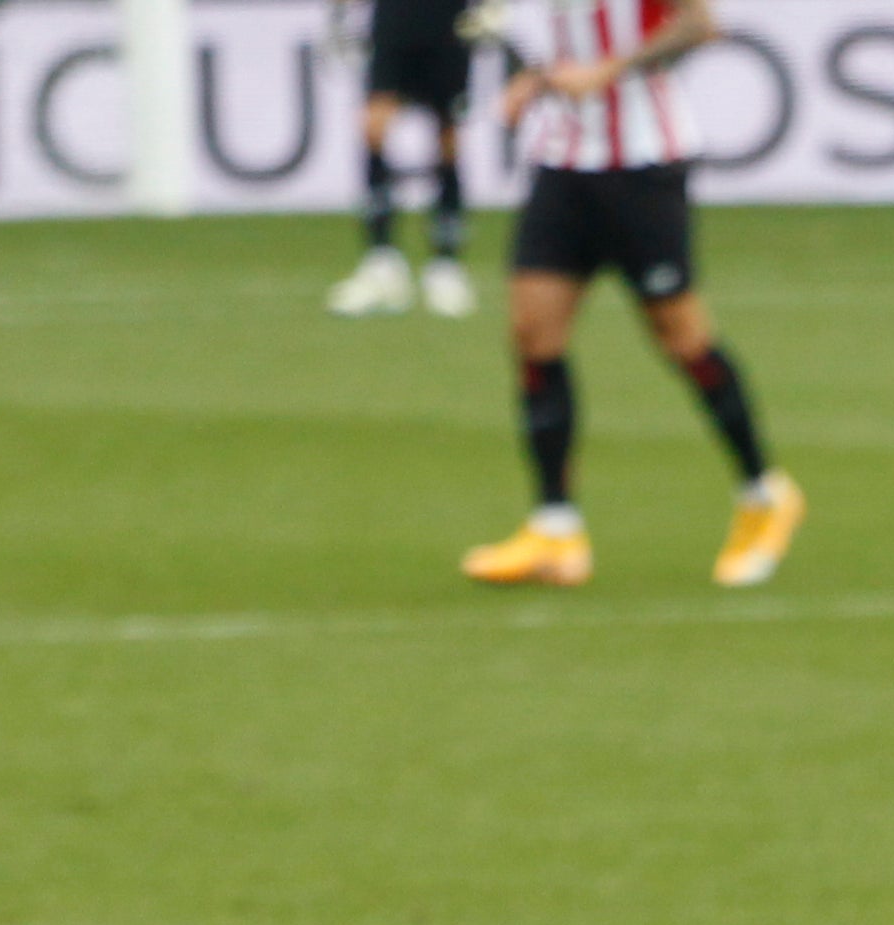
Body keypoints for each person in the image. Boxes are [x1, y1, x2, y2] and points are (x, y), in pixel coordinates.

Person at [457, 0, 804, 592]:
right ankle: (555, 527)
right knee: (533, 334)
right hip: (562, 161)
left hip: (644, 165)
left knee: (682, 339)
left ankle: (763, 493)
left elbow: (699, 24)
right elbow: (562, 42)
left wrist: (608, 71)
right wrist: (536, 80)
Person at [324, 0, 479, 319]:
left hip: (447, 20)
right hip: (394, 19)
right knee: (374, 128)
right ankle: (382, 263)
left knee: (447, 138)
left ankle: (446, 266)